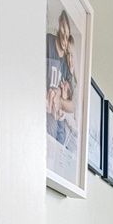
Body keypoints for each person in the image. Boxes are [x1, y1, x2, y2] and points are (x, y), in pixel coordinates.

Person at [46, 10, 75, 144]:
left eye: (67, 35)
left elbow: (72, 105)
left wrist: (61, 101)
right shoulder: (48, 42)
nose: (64, 38)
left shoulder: (67, 63)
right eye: (63, 31)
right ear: (59, 23)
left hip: (59, 124)